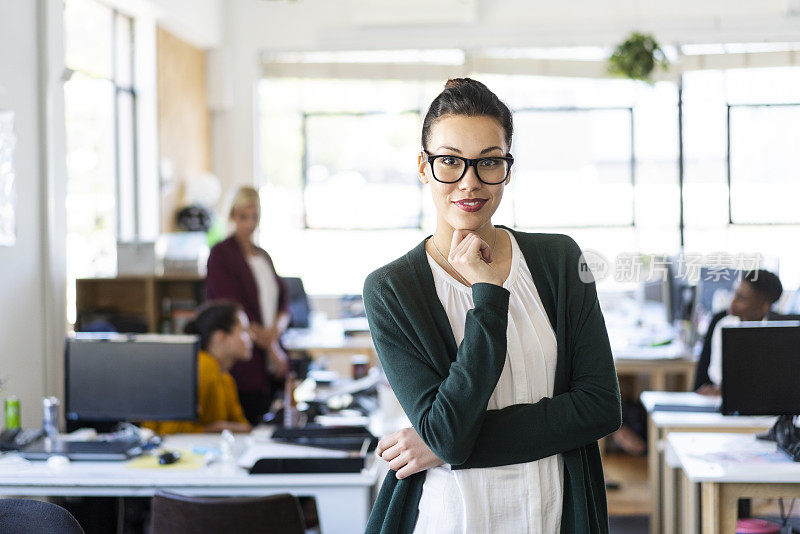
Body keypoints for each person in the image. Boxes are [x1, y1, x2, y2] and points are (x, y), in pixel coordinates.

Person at [363, 78, 622, 534]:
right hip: (450, 518)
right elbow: (447, 432)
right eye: (449, 161)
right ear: (424, 167)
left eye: (488, 162)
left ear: (507, 166)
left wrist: (447, 445)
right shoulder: (392, 289)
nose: (470, 182)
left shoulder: (558, 259)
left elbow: (600, 407)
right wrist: (488, 299)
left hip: (554, 516)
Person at [206, 186, 291, 425]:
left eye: (254, 217)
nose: (250, 224)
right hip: (245, 359)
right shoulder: (221, 255)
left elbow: (283, 301)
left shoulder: (262, 256)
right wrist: (272, 346)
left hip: (271, 359)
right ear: (233, 216)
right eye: (243, 217)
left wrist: (277, 332)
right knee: (248, 420)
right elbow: (233, 309)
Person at [143, 301, 252, 434]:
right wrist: (218, 428)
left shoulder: (224, 376)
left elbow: (243, 427)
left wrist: (224, 427)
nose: (251, 337)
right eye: (244, 331)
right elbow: (169, 431)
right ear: (221, 337)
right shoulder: (200, 369)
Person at [694, 269, 787, 396]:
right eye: (734, 294)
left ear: (764, 307)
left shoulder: (780, 331)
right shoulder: (723, 322)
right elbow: (714, 376)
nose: (732, 302)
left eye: (742, 298)